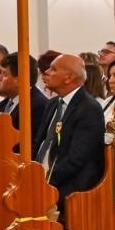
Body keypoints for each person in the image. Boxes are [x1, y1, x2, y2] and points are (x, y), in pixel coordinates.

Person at [36, 54, 106, 203]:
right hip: (41, 181)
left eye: (53, 69)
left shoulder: (89, 108)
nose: (46, 72)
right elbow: (40, 143)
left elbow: (76, 158)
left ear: (68, 78)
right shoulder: (53, 103)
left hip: (70, 189)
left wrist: (46, 180)